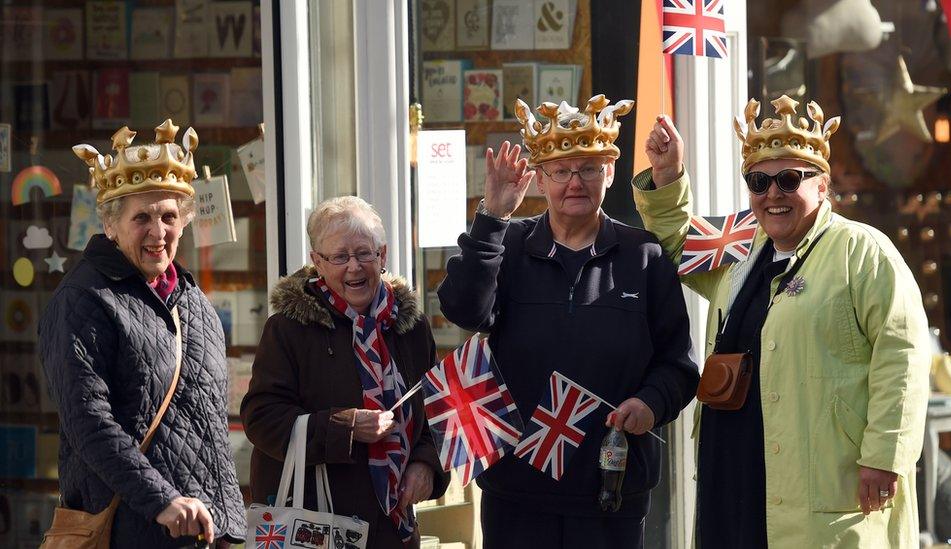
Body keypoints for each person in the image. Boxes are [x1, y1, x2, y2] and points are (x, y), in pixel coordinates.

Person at [633, 95, 930, 547]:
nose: (773, 193)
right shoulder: (740, 250)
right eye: (759, 180)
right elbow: (677, 240)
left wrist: (885, 455)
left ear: (822, 186)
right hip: (732, 469)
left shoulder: (862, 251)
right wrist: (668, 176)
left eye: (789, 180)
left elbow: (902, 355)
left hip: (826, 478)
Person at [437, 95, 700, 549]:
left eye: (589, 169)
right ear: (540, 178)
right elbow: (463, 310)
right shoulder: (510, 244)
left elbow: (678, 365)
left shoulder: (644, 255)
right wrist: (493, 216)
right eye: (561, 171)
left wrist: (650, 404)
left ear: (611, 173)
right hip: (517, 487)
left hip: (610, 487)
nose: (575, 183)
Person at [39, 120, 246, 547]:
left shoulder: (193, 300)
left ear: (185, 222)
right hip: (129, 531)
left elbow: (209, 423)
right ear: (111, 225)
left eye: (169, 216)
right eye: (142, 218)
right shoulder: (83, 300)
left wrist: (230, 523)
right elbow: (89, 424)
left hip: (204, 534)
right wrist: (162, 501)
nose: (158, 232)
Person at [241, 196, 449, 548]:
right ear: (317, 263)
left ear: (382, 257)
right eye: (339, 257)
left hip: (393, 528)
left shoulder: (411, 328)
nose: (354, 267)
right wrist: (345, 427)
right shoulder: (288, 329)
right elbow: (261, 420)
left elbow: (438, 413)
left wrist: (426, 464)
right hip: (317, 528)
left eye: (364, 253)